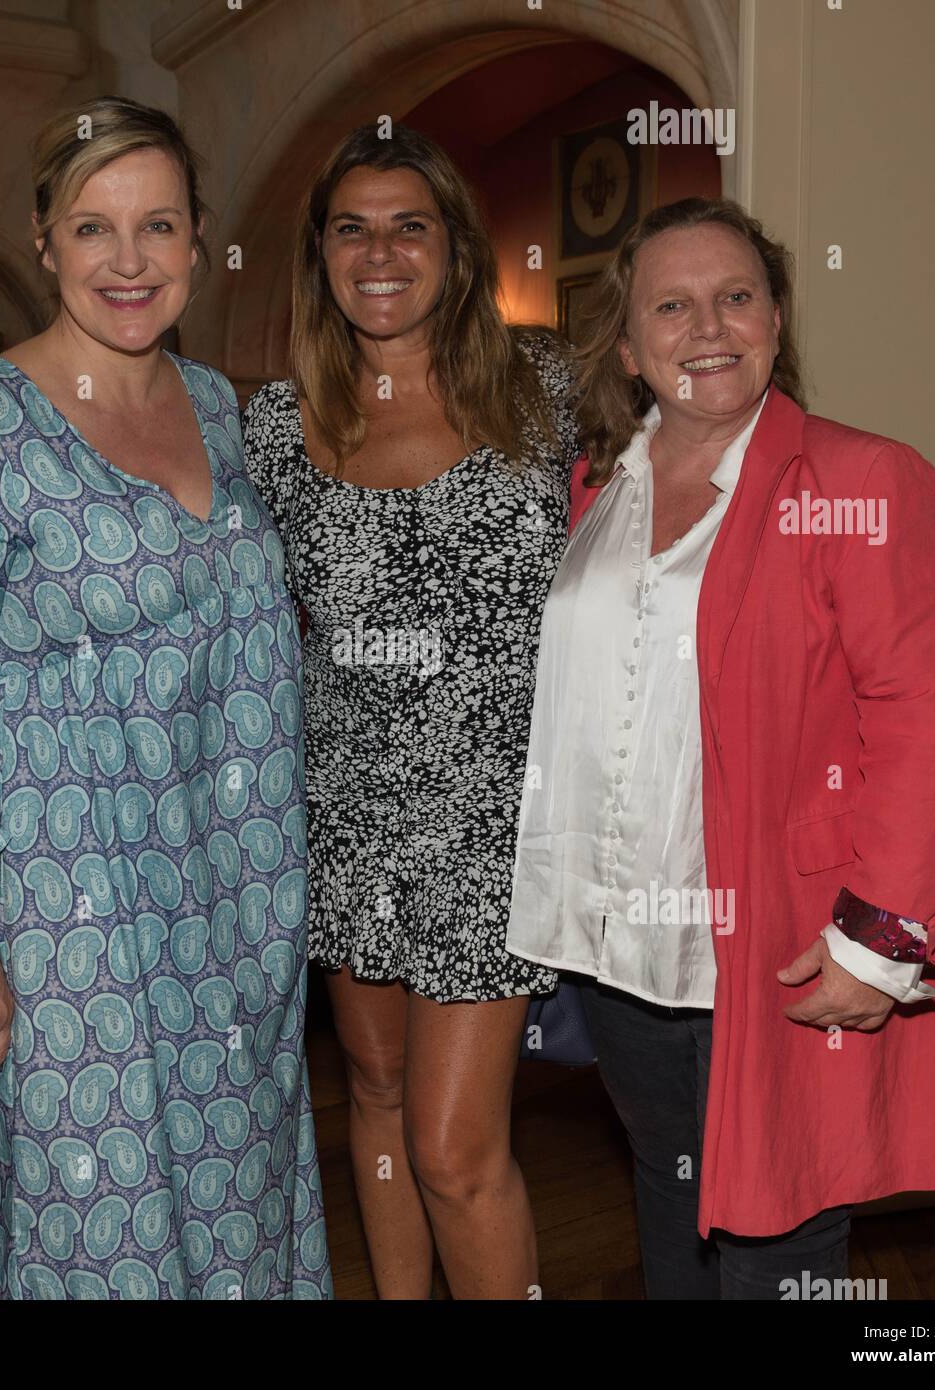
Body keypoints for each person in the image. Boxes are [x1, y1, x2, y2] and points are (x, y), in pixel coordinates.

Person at [0, 95, 330, 1300]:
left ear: (196, 240)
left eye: (158, 226)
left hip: (240, 911)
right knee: (98, 1247)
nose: (128, 261)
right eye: (93, 228)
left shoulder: (222, 409)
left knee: (244, 1221)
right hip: (67, 925)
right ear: (43, 240)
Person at [506, 196, 935, 1299]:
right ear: (627, 345)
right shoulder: (593, 485)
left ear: (774, 317)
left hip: (783, 939)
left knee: (781, 1237)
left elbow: (920, 711)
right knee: (673, 1194)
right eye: (671, 305)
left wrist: (882, 934)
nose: (706, 325)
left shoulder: (859, 481)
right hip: (624, 946)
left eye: (735, 296)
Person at [243, 124, 579, 1299]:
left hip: (493, 824)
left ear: (456, 246)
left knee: (454, 1145)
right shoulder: (275, 433)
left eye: (407, 225)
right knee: (375, 1098)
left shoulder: (547, 391)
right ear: (321, 254)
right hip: (340, 817)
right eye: (352, 227)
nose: (378, 251)